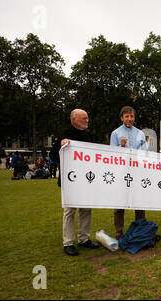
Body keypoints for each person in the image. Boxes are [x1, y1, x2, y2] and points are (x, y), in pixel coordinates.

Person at [50, 109, 100, 256]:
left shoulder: (88, 135)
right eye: (84, 118)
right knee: (69, 211)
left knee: (86, 210)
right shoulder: (65, 135)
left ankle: (84, 239)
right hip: (70, 180)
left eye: (87, 118)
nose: (87, 121)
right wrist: (61, 145)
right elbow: (53, 156)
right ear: (74, 120)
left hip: (86, 180)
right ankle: (68, 243)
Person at [110, 106, 148, 239]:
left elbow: (145, 153)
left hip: (137, 172)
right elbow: (112, 155)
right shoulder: (115, 133)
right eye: (127, 116)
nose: (130, 119)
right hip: (121, 173)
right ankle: (119, 233)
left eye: (132, 116)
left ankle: (139, 231)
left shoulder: (141, 134)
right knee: (119, 204)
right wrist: (120, 146)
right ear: (122, 118)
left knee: (139, 203)